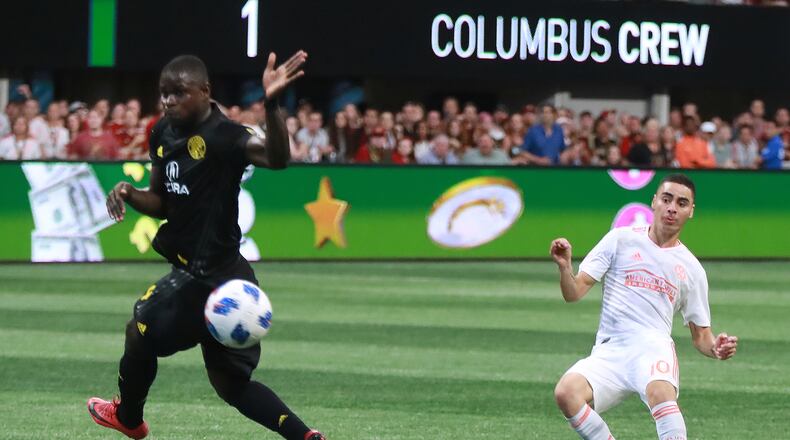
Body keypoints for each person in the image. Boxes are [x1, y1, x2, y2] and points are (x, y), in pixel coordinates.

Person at [87, 52, 326, 440]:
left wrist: (271, 102)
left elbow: (279, 160)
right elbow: (162, 202)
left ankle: (129, 419)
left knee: (138, 331)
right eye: (164, 93)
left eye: (178, 93)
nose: (168, 100)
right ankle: (303, 436)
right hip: (222, 277)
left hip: (206, 277)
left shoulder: (227, 135)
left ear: (205, 92)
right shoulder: (162, 132)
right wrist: (131, 193)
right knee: (230, 385)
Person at [550, 174, 738, 440]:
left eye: (682, 203)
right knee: (566, 393)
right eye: (667, 199)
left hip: (653, 349)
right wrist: (565, 267)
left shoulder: (692, 269)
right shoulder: (620, 239)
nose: (672, 207)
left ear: (691, 212)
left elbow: (701, 337)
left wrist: (716, 348)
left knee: (660, 393)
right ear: (654, 202)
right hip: (610, 350)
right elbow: (574, 292)